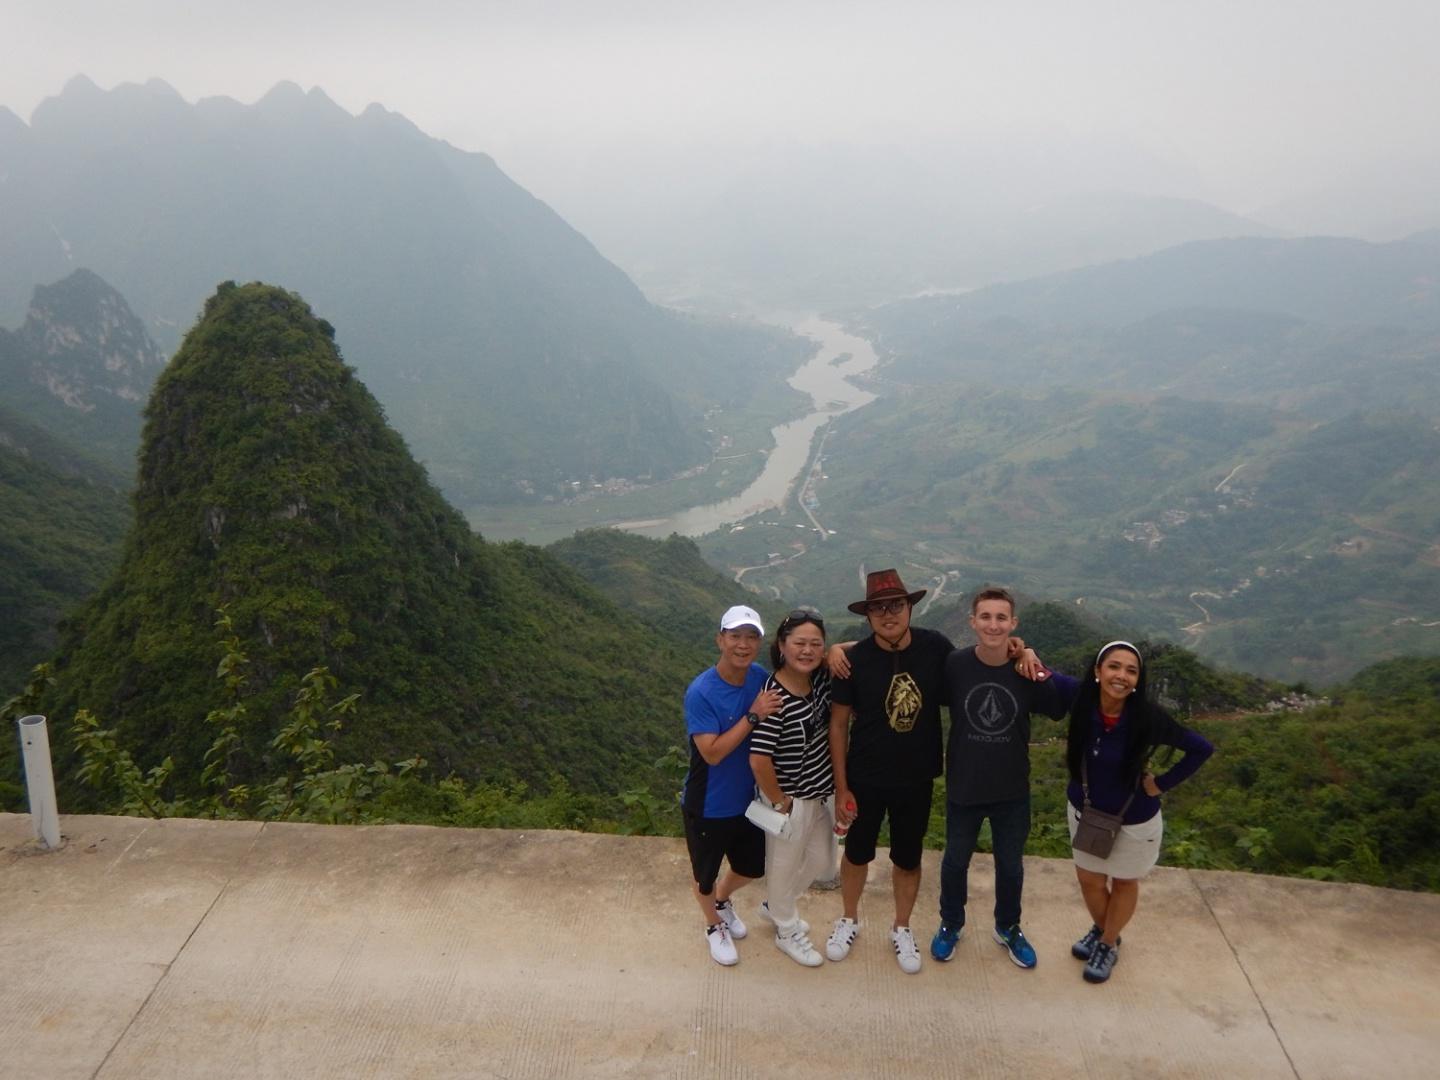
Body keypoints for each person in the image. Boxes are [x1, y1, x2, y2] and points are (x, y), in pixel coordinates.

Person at [1057, 640, 1214, 983]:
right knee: (1089, 880)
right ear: (1098, 672)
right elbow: (1041, 674)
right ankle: (1105, 930)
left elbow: (1201, 748)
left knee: (1124, 882)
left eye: (1132, 671)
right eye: (1114, 666)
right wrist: (1021, 651)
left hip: (1135, 821)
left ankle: (1108, 942)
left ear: (1138, 680)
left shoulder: (1146, 718)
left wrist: (1162, 783)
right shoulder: (1081, 699)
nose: (1122, 676)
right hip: (1086, 812)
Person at [826, 569, 954, 974]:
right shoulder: (854, 661)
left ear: (910, 607)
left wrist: (1018, 649)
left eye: (895, 605)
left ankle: (901, 926)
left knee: (908, 858)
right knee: (857, 853)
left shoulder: (936, 648)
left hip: (916, 778)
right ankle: (848, 918)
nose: (887, 614)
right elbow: (838, 725)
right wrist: (841, 785)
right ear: (868, 616)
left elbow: (978, 665)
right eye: (878, 608)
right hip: (865, 777)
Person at [932, 587, 1066, 969]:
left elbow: (1056, 706)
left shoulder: (1024, 668)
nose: (993, 624)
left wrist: (1032, 658)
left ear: (1014, 623)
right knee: (955, 861)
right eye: (986, 617)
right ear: (972, 622)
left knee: (1011, 865)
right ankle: (950, 923)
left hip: (1011, 789)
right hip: (965, 784)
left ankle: (1008, 926)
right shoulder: (955, 665)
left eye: (1001, 618)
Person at [681, 604, 783, 966]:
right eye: (735, 636)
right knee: (703, 875)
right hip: (708, 802)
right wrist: (753, 715)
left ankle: (722, 901)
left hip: (746, 801)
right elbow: (711, 753)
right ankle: (713, 925)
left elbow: (803, 672)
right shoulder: (702, 692)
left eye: (751, 637)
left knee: (752, 867)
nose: (743, 644)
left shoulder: (758, 677)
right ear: (720, 640)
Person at [749, 608, 835, 967]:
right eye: (799, 643)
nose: (807, 650)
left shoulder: (818, 681)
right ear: (781, 646)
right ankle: (786, 929)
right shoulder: (774, 698)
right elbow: (759, 760)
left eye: (816, 644)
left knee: (820, 861)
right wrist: (781, 802)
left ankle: (776, 905)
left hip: (817, 792)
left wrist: (837, 652)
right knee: (783, 866)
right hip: (789, 799)